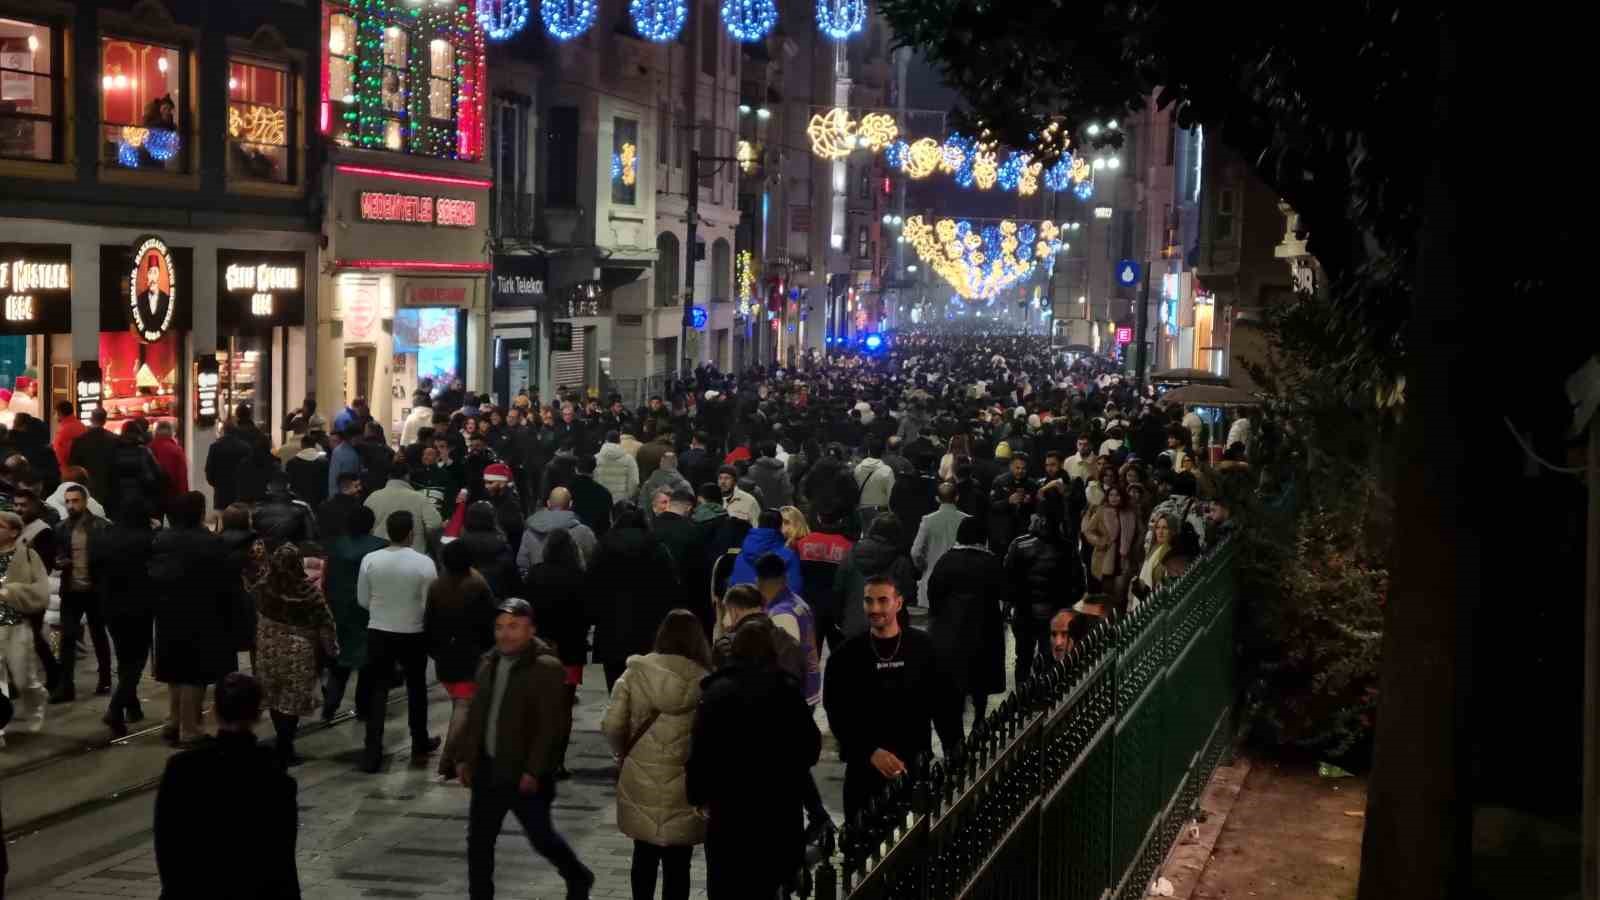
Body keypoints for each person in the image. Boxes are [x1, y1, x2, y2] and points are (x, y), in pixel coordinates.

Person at [452, 598, 596, 900]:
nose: (505, 634)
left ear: (531, 630)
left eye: (514, 627)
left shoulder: (545, 668)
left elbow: (551, 727)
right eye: (500, 627)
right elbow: (478, 714)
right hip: (488, 768)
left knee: (541, 837)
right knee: (479, 842)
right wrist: (466, 758)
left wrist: (535, 769)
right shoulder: (488, 662)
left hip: (524, 774)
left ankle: (577, 874)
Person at [687, 617, 821, 899]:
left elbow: (701, 750)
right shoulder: (786, 690)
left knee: (727, 886)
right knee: (772, 887)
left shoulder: (716, 692)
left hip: (730, 812)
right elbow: (810, 749)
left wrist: (698, 795)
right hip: (778, 812)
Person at [823, 573, 963, 825]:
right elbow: (837, 713)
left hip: (914, 767)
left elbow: (945, 707)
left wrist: (956, 757)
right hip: (864, 773)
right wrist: (869, 751)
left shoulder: (924, 649)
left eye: (882, 600)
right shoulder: (845, 656)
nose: (874, 608)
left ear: (898, 603)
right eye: (869, 601)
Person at [154, 673, 300, 900]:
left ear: (213, 711)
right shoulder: (275, 779)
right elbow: (282, 861)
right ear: (258, 715)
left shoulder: (181, 770)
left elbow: (166, 846)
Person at [601, 609, 712, 900]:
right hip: (683, 782)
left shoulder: (636, 673)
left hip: (641, 776)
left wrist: (621, 752)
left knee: (644, 855)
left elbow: (613, 724)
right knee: (679, 862)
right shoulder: (705, 681)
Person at [356, 510, 441, 772]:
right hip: (413, 631)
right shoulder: (424, 563)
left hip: (379, 630)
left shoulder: (370, 559)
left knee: (378, 690)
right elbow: (430, 603)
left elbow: (361, 599)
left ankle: (372, 750)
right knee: (416, 687)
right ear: (410, 533)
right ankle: (419, 741)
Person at [149, 492, 235, 746]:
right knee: (194, 674)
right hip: (200, 614)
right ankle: (190, 728)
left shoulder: (162, 539)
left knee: (174, 671)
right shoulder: (210, 543)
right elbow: (223, 582)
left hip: (167, 614)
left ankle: (173, 720)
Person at [252, 544, 337, 769]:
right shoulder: (309, 593)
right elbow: (326, 624)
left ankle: (282, 741)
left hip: (268, 649)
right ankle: (286, 744)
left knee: (273, 696)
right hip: (299, 654)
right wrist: (332, 651)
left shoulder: (263, 588)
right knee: (291, 701)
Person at [586, 506, 680, 691]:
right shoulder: (656, 545)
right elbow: (671, 585)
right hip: (649, 629)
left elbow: (591, 584)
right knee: (646, 689)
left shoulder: (604, 545)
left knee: (616, 688)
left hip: (611, 628)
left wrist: (593, 617)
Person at [426, 540, 498, 779]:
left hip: (445, 656)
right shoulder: (477, 585)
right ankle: (448, 760)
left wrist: (434, 650)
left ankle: (463, 755)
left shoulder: (436, 586)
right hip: (471, 655)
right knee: (464, 707)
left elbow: (429, 622)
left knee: (461, 704)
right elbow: (490, 622)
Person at [927, 516, 1006, 723]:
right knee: (981, 679)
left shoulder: (946, 560)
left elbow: (933, 593)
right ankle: (979, 716)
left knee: (956, 677)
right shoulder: (991, 562)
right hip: (984, 629)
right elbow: (1004, 591)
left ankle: (956, 722)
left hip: (952, 628)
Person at [92, 498, 157, 736]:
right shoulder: (147, 539)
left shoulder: (103, 536)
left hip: (110, 604)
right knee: (137, 660)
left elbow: (93, 567)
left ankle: (133, 706)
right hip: (139, 606)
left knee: (123, 657)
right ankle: (116, 707)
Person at [1004, 503, 1080, 686]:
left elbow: (1007, 580)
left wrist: (1011, 602)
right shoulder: (1067, 548)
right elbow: (1078, 584)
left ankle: (1022, 699)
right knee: (1051, 658)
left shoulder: (1019, 544)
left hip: (1024, 612)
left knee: (1023, 658)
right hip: (1054, 613)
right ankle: (1048, 699)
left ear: (1040, 521)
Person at [49, 484, 111, 703]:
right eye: (68, 501)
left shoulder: (102, 527)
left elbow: (108, 560)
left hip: (94, 590)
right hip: (71, 590)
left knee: (98, 635)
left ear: (85, 501)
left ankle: (105, 678)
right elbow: (55, 557)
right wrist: (59, 562)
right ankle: (66, 685)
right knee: (67, 638)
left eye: (75, 501)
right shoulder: (61, 529)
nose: (71, 505)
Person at [323, 505, 384, 722]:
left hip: (339, 610)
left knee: (340, 663)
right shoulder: (380, 547)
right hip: (369, 611)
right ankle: (363, 708)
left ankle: (329, 707)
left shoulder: (335, 545)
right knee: (367, 664)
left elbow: (326, 579)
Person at [0, 510, 50, 742]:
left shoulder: (28, 556)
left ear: (13, 531)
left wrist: (11, 591)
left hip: (18, 625)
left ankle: (37, 703)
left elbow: (41, 594)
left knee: (23, 679)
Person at [834, 513, 917, 639]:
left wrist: (841, 619)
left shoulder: (851, 554)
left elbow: (839, 589)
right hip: (890, 627)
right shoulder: (900, 561)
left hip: (854, 624)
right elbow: (909, 593)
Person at [364, 455, 443, 554]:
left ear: (388, 476)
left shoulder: (373, 497)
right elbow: (435, 523)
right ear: (407, 476)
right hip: (413, 553)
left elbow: (364, 524)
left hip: (378, 552)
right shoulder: (419, 497)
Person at [1082, 484, 1141, 610]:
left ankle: (1119, 618)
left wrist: (1135, 549)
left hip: (1124, 557)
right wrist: (1101, 541)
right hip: (1106, 557)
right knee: (1107, 594)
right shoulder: (1102, 511)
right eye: (1111, 495)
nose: (1114, 498)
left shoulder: (1130, 512)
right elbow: (1089, 530)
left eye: (1117, 495)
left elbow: (1139, 533)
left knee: (1121, 593)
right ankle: (1109, 620)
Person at [516, 486, 598, 573]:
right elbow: (594, 561)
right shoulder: (584, 532)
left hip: (539, 583)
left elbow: (522, 564)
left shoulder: (529, 533)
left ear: (548, 503)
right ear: (570, 504)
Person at [910, 481, 968, 603]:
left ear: (937, 499)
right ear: (957, 497)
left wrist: (923, 567)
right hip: (961, 582)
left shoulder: (927, 520)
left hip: (931, 577)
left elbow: (915, 552)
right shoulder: (967, 520)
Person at [726, 508, 802, 595]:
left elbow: (732, 586)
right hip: (774, 607)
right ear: (780, 527)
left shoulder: (741, 555)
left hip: (741, 605)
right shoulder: (789, 556)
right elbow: (795, 591)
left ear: (758, 524)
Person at [67, 408, 118, 504]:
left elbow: (73, 465)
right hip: (109, 485)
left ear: (91, 419)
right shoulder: (114, 439)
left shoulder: (80, 440)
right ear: (105, 420)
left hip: (87, 485)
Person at [569, 454, 615, 537]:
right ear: (594, 470)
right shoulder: (604, 493)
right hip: (596, 537)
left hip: (571, 537)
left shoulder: (566, 490)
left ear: (576, 469)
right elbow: (606, 523)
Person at [594, 430, 640, 502]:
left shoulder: (596, 458)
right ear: (619, 441)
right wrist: (627, 496)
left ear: (606, 441)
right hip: (621, 501)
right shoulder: (629, 459)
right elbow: (634, 482)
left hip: (600, 499)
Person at [149, 420, 188, 503]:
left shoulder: (148, 449)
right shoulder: (177, 450)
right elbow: (182, 475)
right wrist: (183, 495)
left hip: (153, 494)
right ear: (171, 433)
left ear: (156, 432)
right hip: (172, 493)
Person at [286, 434, 330, 508]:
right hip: (317, 498)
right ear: (315, 445)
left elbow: (290, 482)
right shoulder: (324, 461)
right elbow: (325, 482)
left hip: (298, 499)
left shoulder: (292, 462)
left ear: (302, 445)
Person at [52, 400, 85, 472]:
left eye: (55, 413)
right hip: (82, 469)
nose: (54, 416)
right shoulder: (81, 426)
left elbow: (59, 454)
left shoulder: (63, 430)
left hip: (68, 470)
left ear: (59, 413)